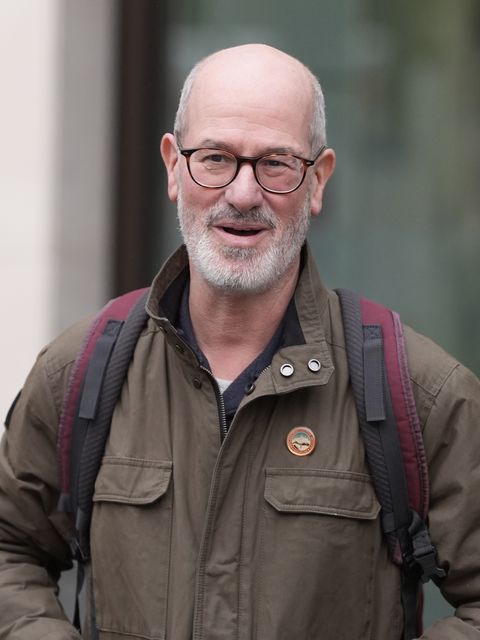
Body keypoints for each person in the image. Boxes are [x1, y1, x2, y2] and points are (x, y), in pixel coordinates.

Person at [0, 43, 479, 640]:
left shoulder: (419, 393)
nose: (244, 194)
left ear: (319, 180)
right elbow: (10, 549)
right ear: (174, 166)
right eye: (217, 157)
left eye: (276, 163)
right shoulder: (80, 373)